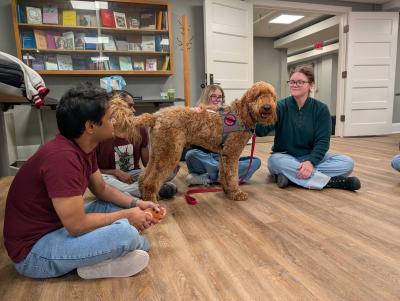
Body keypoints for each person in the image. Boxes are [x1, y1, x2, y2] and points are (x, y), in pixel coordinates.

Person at [3, 83, 163, 280]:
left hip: (58, 227)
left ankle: (102, 256)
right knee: (126, 235)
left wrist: (137, 204)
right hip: (33, 254)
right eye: (109, 118)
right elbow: (77, 225)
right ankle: (112, 251)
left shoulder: (83, 147)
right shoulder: (62, 158)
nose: (114, 122)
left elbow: (102, 188)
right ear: (90, 126)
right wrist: (128, 216)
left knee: (109, 206)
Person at [256, 66, 361, 191]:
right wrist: (261, 112)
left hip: (311, 157)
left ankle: (290, 178)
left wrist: (311, 162)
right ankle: (333, 182)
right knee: (274, 162)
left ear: (311, 85)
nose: (294, 85)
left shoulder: (321, 109)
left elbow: (323, 142)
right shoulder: (279, 107)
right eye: (292, 82)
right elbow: (260, 132)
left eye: (300, 82)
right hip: (284, 157)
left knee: (347, 163)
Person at [96, 90, 178, 199]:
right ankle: (148, 190)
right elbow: (93, 170)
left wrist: (167, 162)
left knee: (170, 171)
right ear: (115, 108)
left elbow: (147, 164)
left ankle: (125, 194)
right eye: (129, 106)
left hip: (134, 174)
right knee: (100, 181)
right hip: (110, 176)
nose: (134, 110)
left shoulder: (141, 129)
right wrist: (116, 172)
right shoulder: (101, 131)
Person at [185, 84, 261, 185]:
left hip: (220, 156)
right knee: (191, 155)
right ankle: (230, 177)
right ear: (206, 96)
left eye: (220, 97)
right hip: (202, 158)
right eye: (213, 96)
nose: (217, 99)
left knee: (255, 161)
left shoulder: (228, 115)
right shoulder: (196, 112)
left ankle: (209, 178)